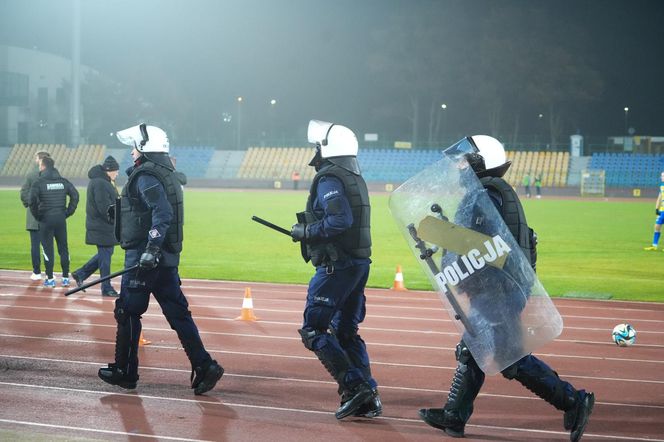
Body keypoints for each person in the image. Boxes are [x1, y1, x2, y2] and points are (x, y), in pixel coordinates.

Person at [418, 136, 594, 442]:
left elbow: (487, 246)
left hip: (496, 291)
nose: (460, 166)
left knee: (510, 357)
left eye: (465, 160)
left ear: (479, 162)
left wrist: (448, 240)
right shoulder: (493, 193)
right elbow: (487, 241)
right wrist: (448, 236)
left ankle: (573, 401)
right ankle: (454, 416)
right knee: (473, 349)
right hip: (495, 289)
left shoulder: (486, 194)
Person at [98, 123, 223, 395]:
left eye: (134, 147)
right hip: (164, 260)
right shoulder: (165, 172)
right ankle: (205, 366)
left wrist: (150, 249)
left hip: (145, 259)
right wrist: (121, 214)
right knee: (178, 313)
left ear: (144, 147)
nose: (131, 152)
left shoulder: (146, 175)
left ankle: (125, 371)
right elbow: (147, 211)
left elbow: (162, 213)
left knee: (127, 311)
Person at [290, 120, 381, 419]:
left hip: (337, 266)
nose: (314, 152)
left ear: (326, 148)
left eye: (316, 146)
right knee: (346, 331)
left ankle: (355, 388)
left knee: (314, 329)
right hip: (358, 263)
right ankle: (369, 397)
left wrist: (306, 231)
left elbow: (339, 221)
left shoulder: (329, 178)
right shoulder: (354, 175)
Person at [71, 156, 121, 297]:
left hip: (103, 225)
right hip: (102, 226)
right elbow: (104, 207)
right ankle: (106, 288)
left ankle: (80, 273)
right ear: (109, 171)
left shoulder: (103, 182)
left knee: (105, 254)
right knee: (105, 256)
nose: (117, 174)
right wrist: (114, 220)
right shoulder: (100, 183)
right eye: (116, 171)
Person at [29, 156, 79, 288]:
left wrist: (37, 216)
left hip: (45, 219)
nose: (39, 167)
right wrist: (68, 212)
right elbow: (75, 195)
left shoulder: (38, 182)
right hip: (60, 219)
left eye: (40, 165)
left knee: (47, 249)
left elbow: (31, 201)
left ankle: (50, 279)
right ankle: (65, 278)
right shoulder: (63, 181)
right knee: (63, 248)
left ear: (43, 166)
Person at [20, 151, 50, 280]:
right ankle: (49, 272)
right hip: (49, 215)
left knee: (35, 245)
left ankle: (36, 272)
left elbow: (23, 192)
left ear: (39, 160)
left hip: (34, 216)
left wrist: (31, 204)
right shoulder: (54, 175)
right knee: (48, 245)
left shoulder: (31, 175)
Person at [644, 171, 664, 251]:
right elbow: (659, 197)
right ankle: (654, 246)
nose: (661, 177)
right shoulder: (662, 186)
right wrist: (656, 208)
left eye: (663, 176)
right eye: (661, 176)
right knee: (657, 226)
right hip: (662, 210)